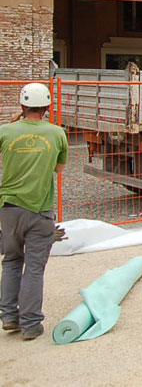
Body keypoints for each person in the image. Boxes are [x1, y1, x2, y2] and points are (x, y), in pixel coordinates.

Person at [0, 83, 68, 341]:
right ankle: (30, 324)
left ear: (22, 105)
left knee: (11, 260)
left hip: (8, 210)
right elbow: (59, 170)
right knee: (35, 268)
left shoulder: (5, 131)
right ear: (48, 107)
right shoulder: (57, 133)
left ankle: (8, 316)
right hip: (39, 211)